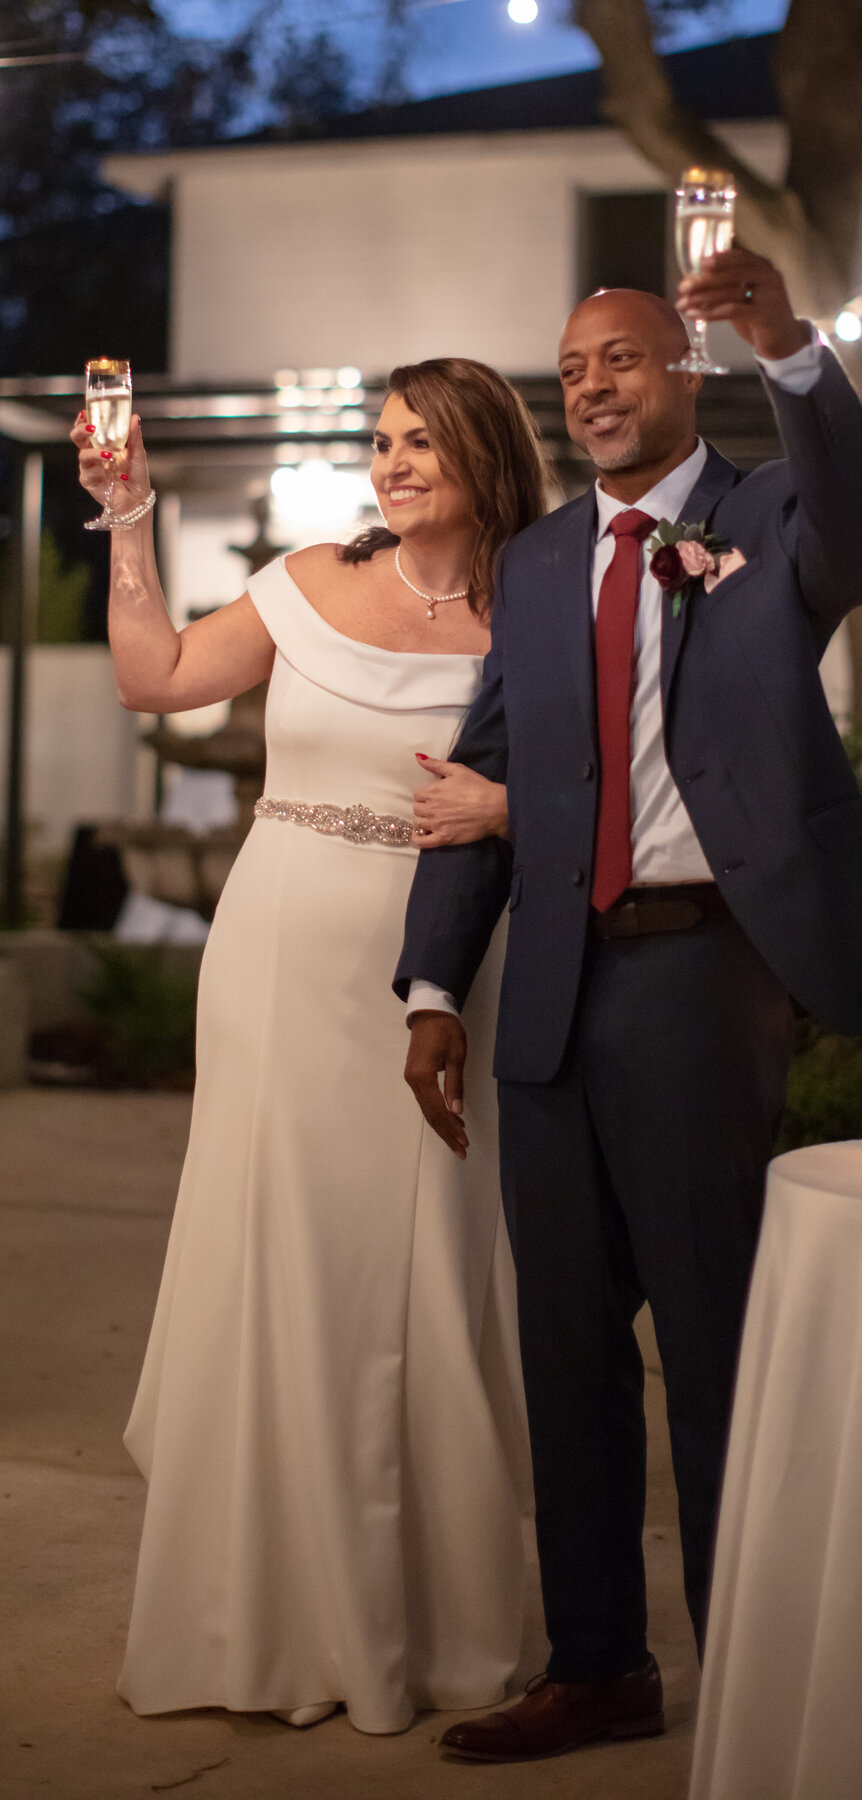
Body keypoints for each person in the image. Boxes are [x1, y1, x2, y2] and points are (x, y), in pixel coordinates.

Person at [397, 251, 862, 1761]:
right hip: (554, 987)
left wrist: (793, 351)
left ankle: (751, 1675)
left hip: (707, 972)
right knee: (563, 1351)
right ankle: (598, 1668)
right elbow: (476, 781)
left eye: (622, 360)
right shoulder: (546, 561)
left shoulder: (767, 515)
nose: (591, 387)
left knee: (710, 1345)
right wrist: (437, 984)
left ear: (682, 373)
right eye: (572, 370)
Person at [70, 357, 548, 1735]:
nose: (394, 464)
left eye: (423, 443)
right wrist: (128, 521)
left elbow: (585, 783)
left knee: (436, 1275)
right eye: (384, 441)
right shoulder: (305, 581)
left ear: (483, 456)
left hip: (453, 969)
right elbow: (154, 680)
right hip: (280, 954)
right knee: (279, 1262)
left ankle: (437, 1624)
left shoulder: (539, 608)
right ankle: (255, 1624)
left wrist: (510, 809)